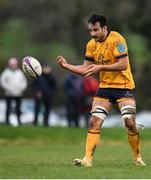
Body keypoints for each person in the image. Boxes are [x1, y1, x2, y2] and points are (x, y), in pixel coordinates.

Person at [57, 14, 146, 167]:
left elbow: (123, 64)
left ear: (105, 28)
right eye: (90, 30)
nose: (93, 34)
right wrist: (67, 66)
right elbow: (86, 69)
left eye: (96, 30)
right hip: (105, 87)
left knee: (129, 122)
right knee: (94, 122)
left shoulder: (117, 39)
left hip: (123, 86)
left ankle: (137, 158)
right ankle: (87, 160)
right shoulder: (91, 45)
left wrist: (101, 67)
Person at [0, 57, 27, 125]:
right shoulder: (6, 72)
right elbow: (2, 82)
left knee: (18, 109)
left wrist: (20, 89)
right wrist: (9, 89)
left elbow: (24, 82)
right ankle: (7, 121)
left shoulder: (19, 72)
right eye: (12, 64)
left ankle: (19, 121)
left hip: (18, 94)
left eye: (14, 64)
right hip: (9, 94)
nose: (13, 65)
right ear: (9, 64)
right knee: (8, 108)